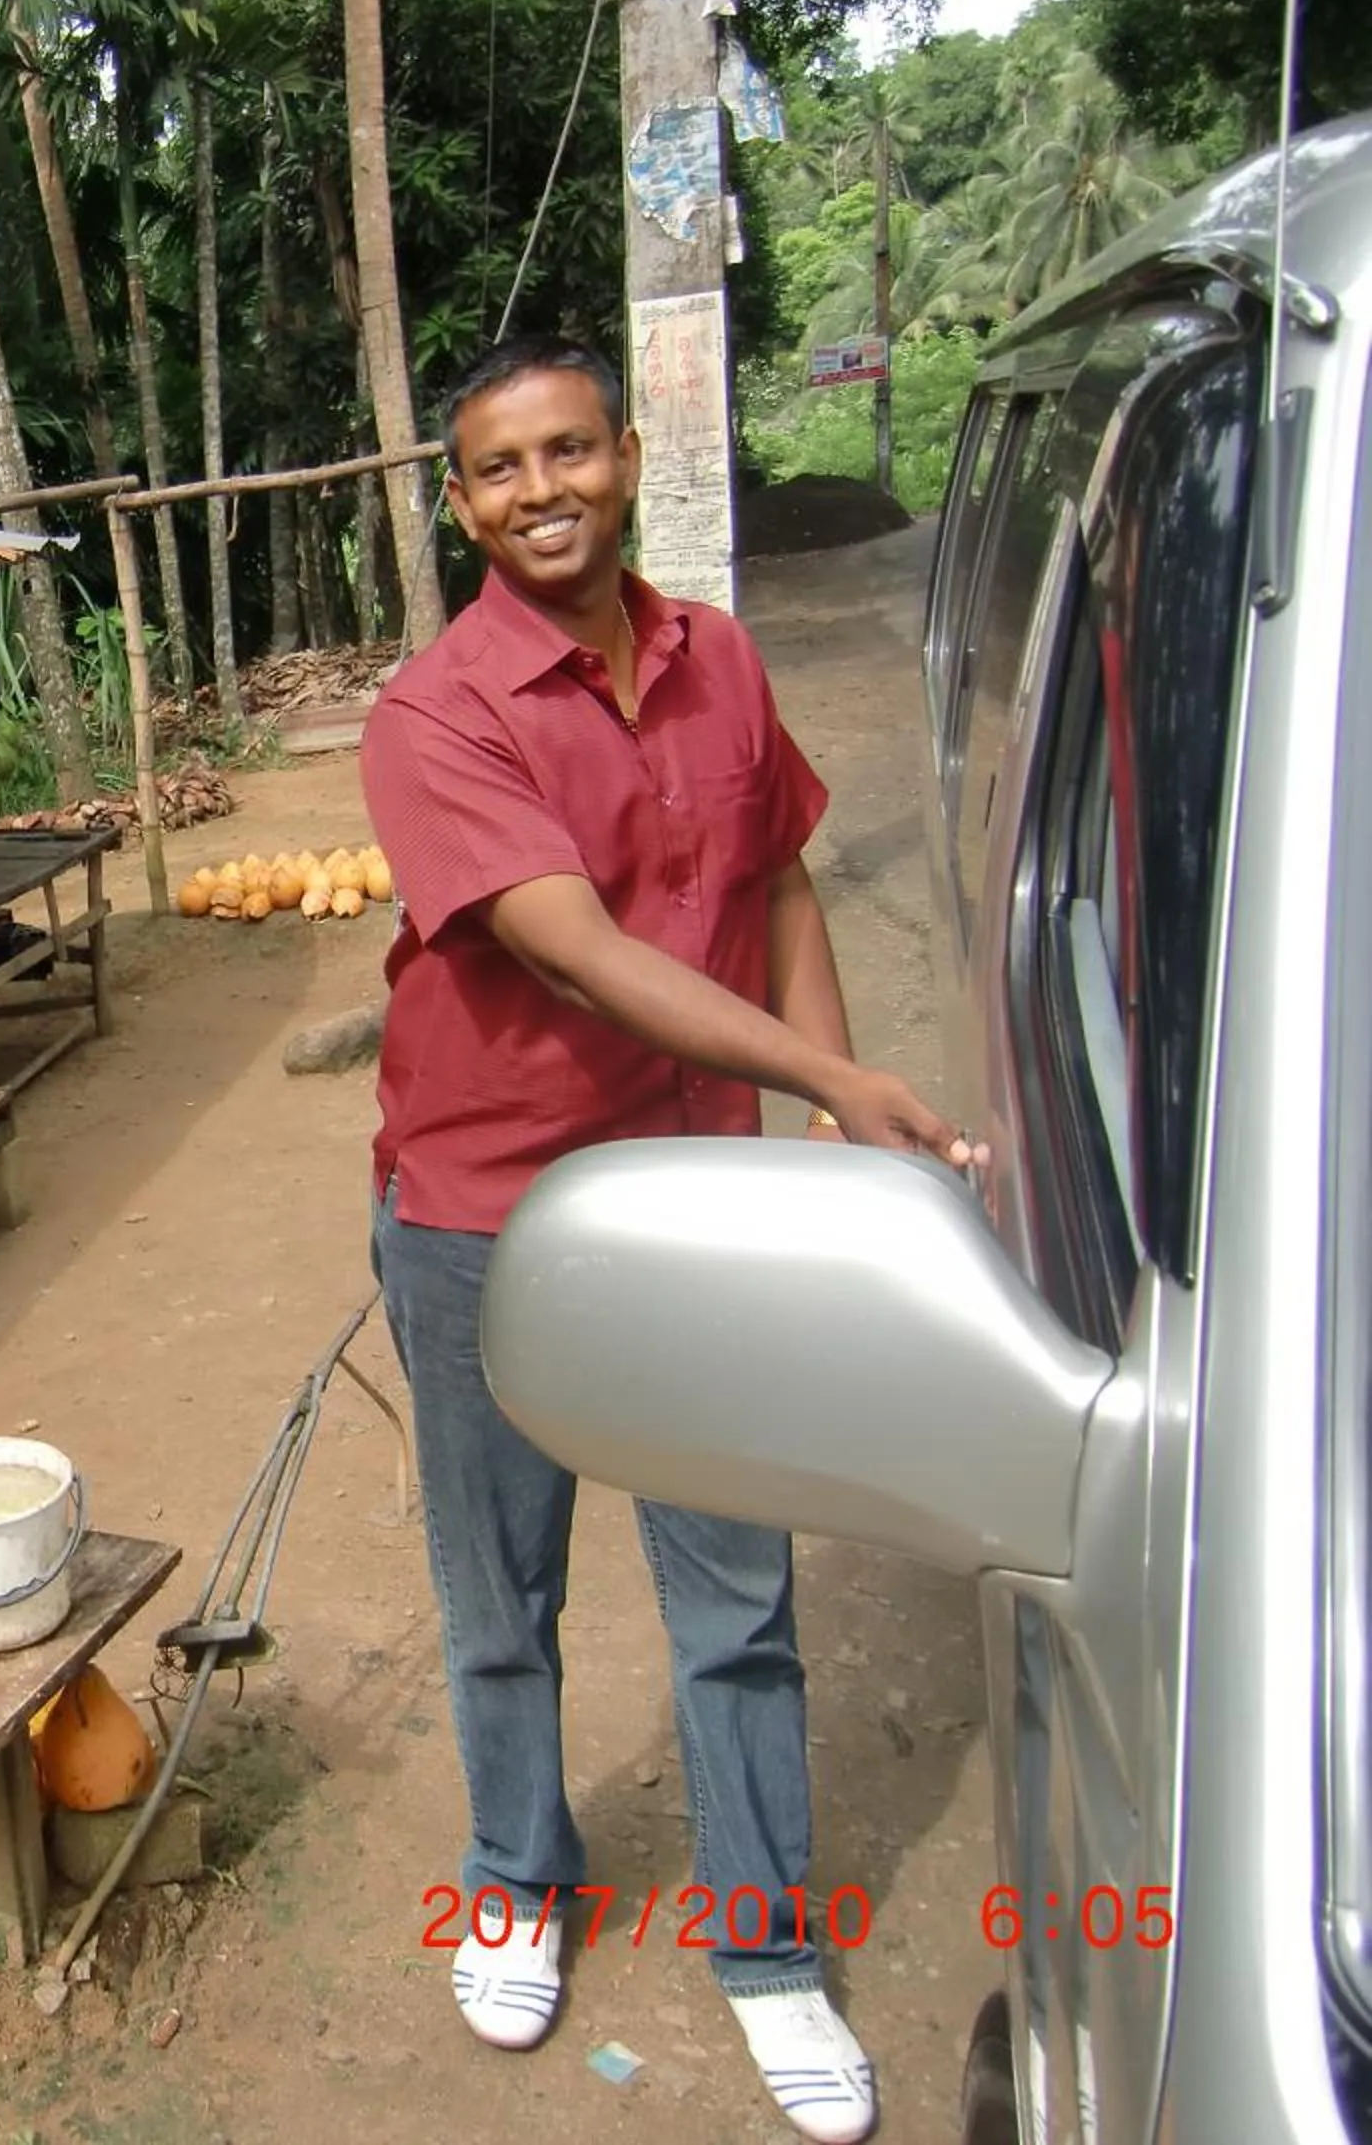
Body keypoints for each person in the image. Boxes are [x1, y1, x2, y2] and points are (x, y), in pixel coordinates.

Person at [361, 334, 973, 2145]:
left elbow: (776, 873)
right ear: (458, 498)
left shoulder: (722, 657)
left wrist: (821, 1102)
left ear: (625, 457)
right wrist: (836, 1085)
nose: (541, 491)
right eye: (500, 467)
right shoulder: (436, 711)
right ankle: (515, 1877)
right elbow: (577, 950)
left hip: (700, 1201)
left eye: (569, 451)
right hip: (493, 1213)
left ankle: (771, 1952)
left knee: (737, 1594)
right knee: (503, 1600)